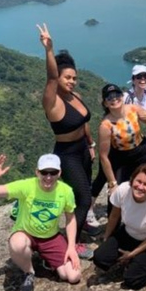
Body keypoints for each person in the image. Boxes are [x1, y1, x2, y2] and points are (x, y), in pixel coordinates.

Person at [0, 153, 81, 291]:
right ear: (37, 172)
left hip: (50, 237)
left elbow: (70, 218)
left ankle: (46, 259)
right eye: (44, 172)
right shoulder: (27, 186)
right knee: (17, 244)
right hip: (26, 233)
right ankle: (29, 272)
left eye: (53, 173)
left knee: (73, 276)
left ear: (59, 173)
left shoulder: (66, 191)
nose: (48, 177)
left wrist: (71, 247)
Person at [37, 23, 95, 259]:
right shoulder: (52, 102)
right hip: (67, 154)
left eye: (74, 77)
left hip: (82, 149)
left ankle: (76, 226)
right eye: (67, 77)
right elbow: (51, 77)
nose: (72, 81)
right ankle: (75, 243)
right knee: (82, 197)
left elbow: (84, 122)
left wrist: (90, 145)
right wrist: (48, 49)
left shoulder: (75, 96)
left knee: (82, 193)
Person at [92, 164, 146, 290]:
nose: (140, 187)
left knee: (133, 280)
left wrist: (132, 255)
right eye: (138, 181)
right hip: (130, 232)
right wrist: (106, 238)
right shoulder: (124, 190)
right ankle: (135, 259)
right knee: (100, 258)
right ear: (132, 180)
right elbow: (114, 216)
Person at [95, 83, 146, 200]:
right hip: (123, 158)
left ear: (122, 96)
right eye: (109, 97)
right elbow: (104, 157)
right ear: (105, 103)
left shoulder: (133, 108)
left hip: (143, 151)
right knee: (119, 194)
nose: (114, 99)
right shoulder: (105, 125)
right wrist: (112, 183)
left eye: (117, 95)